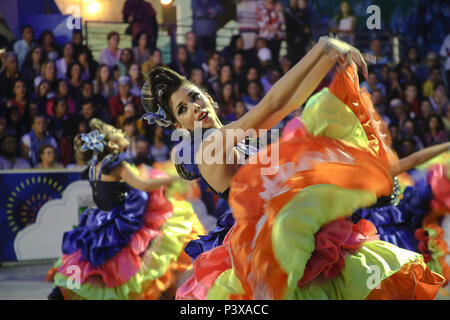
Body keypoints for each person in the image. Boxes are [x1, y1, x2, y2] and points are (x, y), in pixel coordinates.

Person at [142, 35, 445, 300]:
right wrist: (323, 49)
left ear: (207, 96)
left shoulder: (229, 135)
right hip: (271, 244)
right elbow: (272, 106)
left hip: (289, 230)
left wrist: (328, 60)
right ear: (179, 124)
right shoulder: (208, 148)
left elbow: (287, 103)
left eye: (194, 97)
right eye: (182, 109)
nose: (194, 108)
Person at [46, 118, 204, 299]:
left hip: (100, 220)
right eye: (116, 131)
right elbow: (142, 184)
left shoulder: (95, 165)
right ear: (111, 143)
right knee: (128, 262)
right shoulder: (116, 163)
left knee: (94, 262)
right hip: (119, 222)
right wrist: (176, 178)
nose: (122, 132)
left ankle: (62, 293)